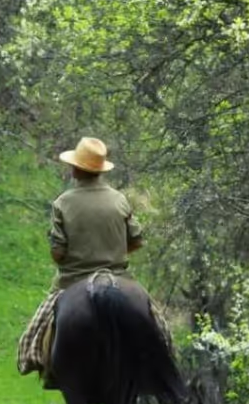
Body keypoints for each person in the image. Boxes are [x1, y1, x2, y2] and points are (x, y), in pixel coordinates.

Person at [17, 136, 169, 387]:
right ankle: (161, 366)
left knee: (36, 331)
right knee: (159, 326)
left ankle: (33, 360)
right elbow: (137, 241)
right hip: (119, 277)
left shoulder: (63, 203)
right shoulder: (119, 200)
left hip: (71, 281)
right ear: (99, 170)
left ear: (76, 168)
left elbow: (58, 253)